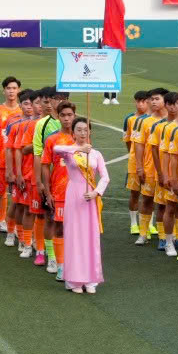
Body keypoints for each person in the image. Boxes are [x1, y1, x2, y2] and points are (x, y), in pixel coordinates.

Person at [56, 114, 108, 295]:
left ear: (90, 132)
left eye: (86, 130)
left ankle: (91, 278)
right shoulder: (69, 151)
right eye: (79, 130)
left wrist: (96, 192)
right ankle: (74, 279)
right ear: (73, 133)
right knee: (74, 236)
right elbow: (56, 148)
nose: (83, 132)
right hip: (74, 195)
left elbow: (105, 177)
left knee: (90, 237)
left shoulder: (96, 154)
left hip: (90, 198)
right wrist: (77, 149)